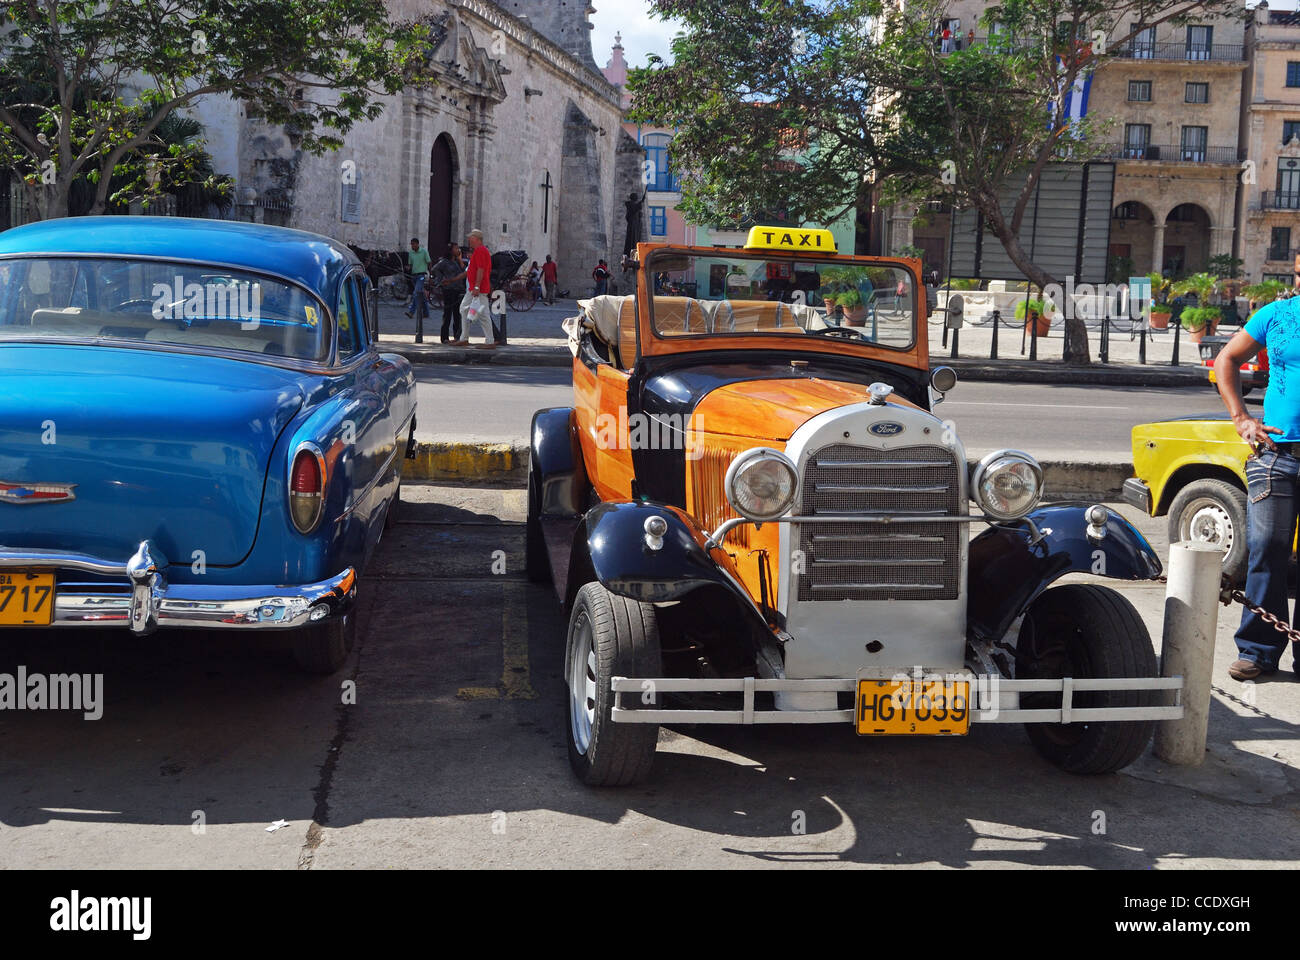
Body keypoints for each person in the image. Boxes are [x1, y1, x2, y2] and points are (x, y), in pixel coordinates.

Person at [1213, 291, 1300, 680]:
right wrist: (1241, 418)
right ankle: (1258, 651)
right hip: (1276, 455)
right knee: (1266, 549)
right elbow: (1227, 359)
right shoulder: (1277, 315)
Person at [461, 229, 495, 349]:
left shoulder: (480, 250)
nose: (469, 240)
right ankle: (464, 338)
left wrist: (476, 286)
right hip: (477, 287)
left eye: (471, 238)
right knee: (466, 310)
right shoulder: (480, 250)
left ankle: (489, 341)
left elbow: (481, 270)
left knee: (482, 314)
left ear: (477, 239)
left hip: (477, 288)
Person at [431, 243, 466, 344]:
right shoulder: (444, 262)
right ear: (451, 250)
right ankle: (444, 337)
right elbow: (434, 269)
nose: (458, 250)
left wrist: (460, 260)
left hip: (458, 290)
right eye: (456, 248)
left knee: (457, 315)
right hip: (448, 290)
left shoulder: (456, 262)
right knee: (447, 314)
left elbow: (464, 272)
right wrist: (441, 280)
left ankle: (457, 336)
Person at [404, 237, 432, 343]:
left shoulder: (424, 251)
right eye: (411, 244)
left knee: (416, 292)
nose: (412, 246)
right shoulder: (411, 253)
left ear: (418, 244)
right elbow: (410, 265)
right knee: (421, 295)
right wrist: (407, 268)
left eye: (414, 244)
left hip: (421, 275)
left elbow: (429, 262)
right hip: (414, 276)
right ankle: (426, 313)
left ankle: (411, 311)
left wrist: (431, 275)